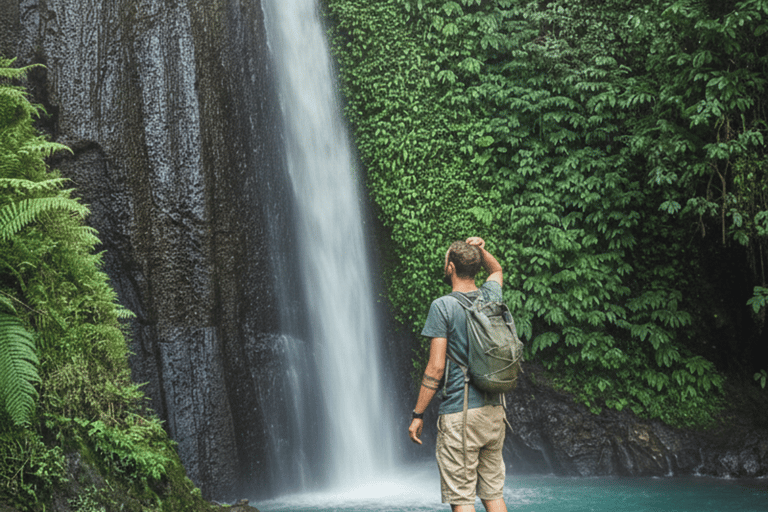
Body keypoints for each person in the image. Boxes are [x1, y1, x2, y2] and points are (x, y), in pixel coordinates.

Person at [408, 237, 508, 512]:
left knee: (462, 498)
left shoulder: (443, 306)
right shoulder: (491, 296)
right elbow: (497, 270)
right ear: (475, 268)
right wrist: (482, 250)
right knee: (493, 493)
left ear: (450, 267)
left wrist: (418, 414)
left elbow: (436, 367)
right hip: (494, 410)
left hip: (461, 414)